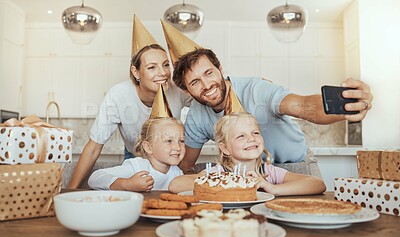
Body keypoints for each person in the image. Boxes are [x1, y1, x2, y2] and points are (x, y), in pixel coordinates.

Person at [160, 20, 373, 174]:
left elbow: (304, 106)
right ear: (187, 91)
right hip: (248, 175)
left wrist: (345, 107)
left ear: (220, 68)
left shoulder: (256, 90)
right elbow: (185, 164)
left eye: (209, 73)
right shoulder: (197, 116)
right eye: (195, 82)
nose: (207, 86)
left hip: (296, 167)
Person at [68, 16, 191, 188]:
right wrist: (70, 190)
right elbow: (94, 147)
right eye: (151, 67)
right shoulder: (118, 95)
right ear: (136, 72)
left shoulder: (177, 89)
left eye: (165, 65)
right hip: (136, 156)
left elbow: (206, 103)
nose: (163, 73)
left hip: (167, 159)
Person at [168, 112, 326, 196]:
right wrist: (225, 182)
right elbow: (176, 185)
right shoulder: (218, 173)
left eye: (255, 133)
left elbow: (317, 184)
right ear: (225, 148)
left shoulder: (267, 173)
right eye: (241, 136)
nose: (251, 138)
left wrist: (273, 188)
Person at [88, 117, 185, 191]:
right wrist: (127, 184)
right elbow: (95, 178)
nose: (177, 147)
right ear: (148, 147)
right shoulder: (137, 167)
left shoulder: (177, 173)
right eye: (169, 141)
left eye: (181, 141)